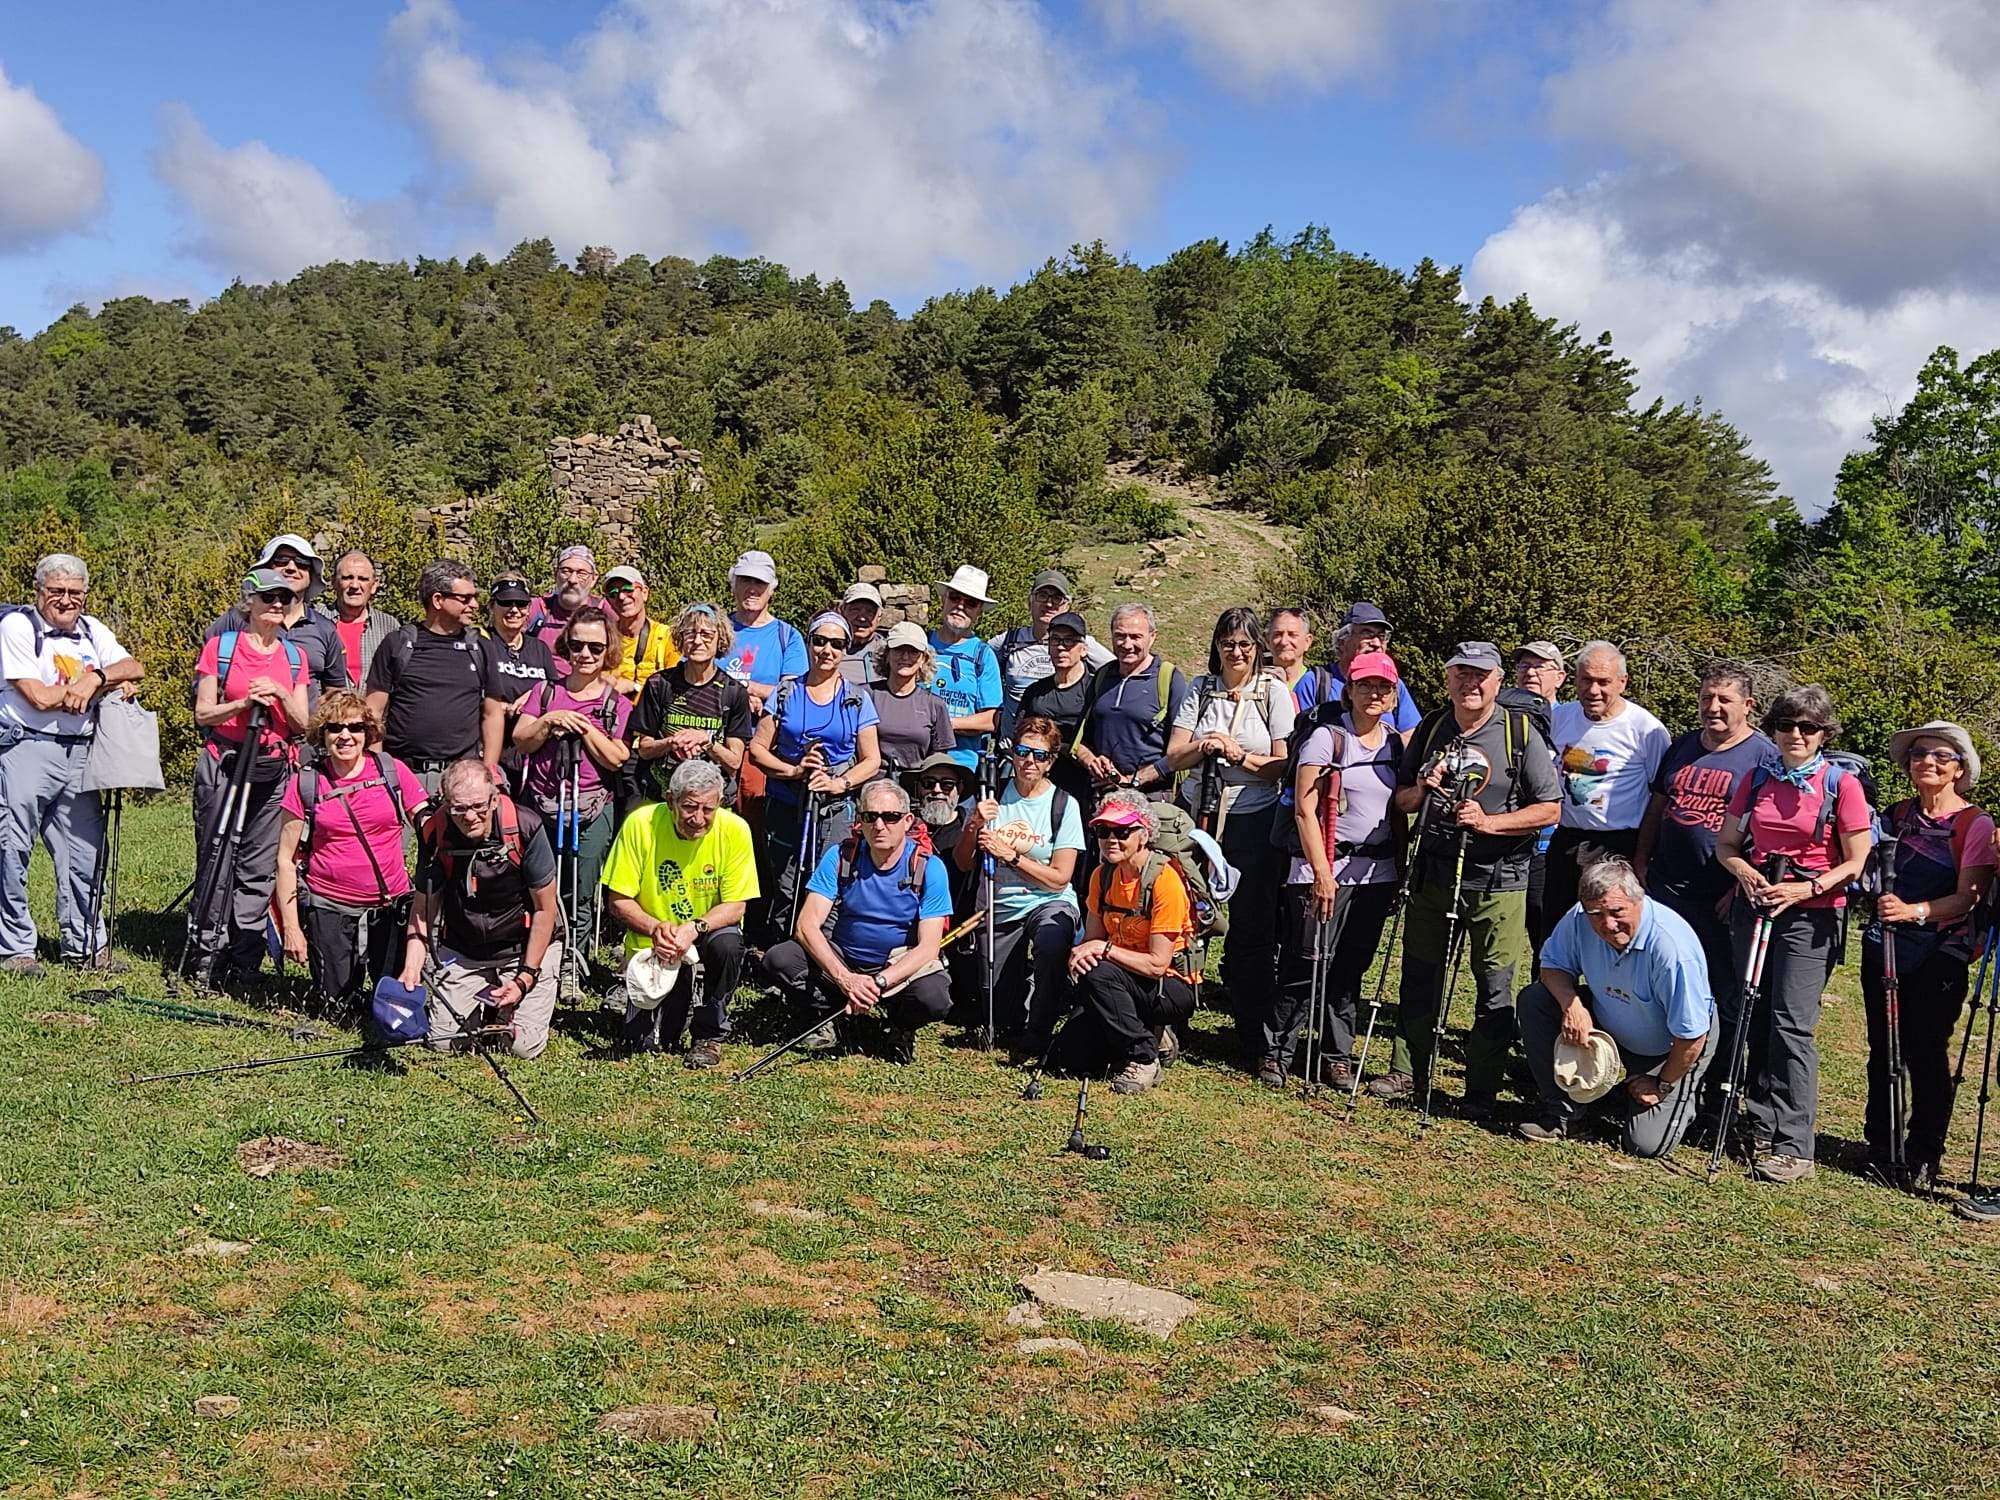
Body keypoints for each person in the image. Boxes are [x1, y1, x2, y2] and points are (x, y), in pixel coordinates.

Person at [1369, 642, 1560, 1115]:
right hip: (1433, 871)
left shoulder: (1520, 731)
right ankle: (1406, 1071)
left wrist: (1490, 822)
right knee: (1419, 974)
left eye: (1480, 675)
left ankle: (1481, 1088)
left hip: (1499, 880)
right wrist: (1423, 787)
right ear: (1448, 677)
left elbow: (1551, 807)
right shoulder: (1433, 727)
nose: (1469, 684)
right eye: (1461, 674)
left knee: (1494, 986)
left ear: (1498, 681)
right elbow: (1402, 800)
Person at [1714, 685, 1874, 1184]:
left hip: (1812, 916)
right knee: (1753, 1012)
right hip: (1757, 906)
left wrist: (1804, 889)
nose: (1796, 735)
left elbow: (1856, 860)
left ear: (1825, 733)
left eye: (1808, 727)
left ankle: (1794, 1142)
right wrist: (1745, 874)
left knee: (1791, 1023)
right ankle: (1760, 1123)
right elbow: (1728, 844)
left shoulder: (1839, 785)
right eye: (1787, 726)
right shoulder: (1757, 778)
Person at [1632, 662, 1770, 1120]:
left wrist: (1741, 884)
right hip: (1666, 887)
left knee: (1723, 996)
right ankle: (1659, 1076)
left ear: (1748, 706)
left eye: (1725, 700)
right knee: (1663, 985)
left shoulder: (1763, 757)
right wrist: (1640, 860)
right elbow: (1658, 805)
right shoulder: (1682, 746)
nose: (1713, 707)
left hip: (1720, 897)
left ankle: (1719, 1094)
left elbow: (1769, 830)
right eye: (1707, 697)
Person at [1861, 722, 1995, 1187]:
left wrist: (1913, 910)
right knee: (1883, 1046)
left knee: (1925, 1049)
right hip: (1886, 946)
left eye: (1941, 756)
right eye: (1920, 754)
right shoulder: (1895, 815)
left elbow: (1968, 897)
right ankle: (1880, 1143)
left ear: (1960, 768)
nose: (1928, 762)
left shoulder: (1974, 825)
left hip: (1941, 950)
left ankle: (1922, 1152)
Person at [0, 554, 144, 976]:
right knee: (11, 849)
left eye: (75, 593)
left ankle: (85, 946)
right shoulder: (17, 627)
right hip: (26, 747)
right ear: (39, 592)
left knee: (84, 852)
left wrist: (96, 677)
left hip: (81, 752)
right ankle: (16, 948)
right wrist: (97, 689)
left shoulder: (91, 630)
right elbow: (37, 697)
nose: (66, 600)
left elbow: (134, 666)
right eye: (57, 591)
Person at [1515, 859, 1716, 1155]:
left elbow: (1691, 1035)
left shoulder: (1672, 950)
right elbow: (1552, 966)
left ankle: (1681, 1095)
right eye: (1595, 913)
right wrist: (1572, 1006)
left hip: (1673, 1045)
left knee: (1644, 1145)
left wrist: (1661, 1084)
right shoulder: (1578, 918)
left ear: (1640, 899)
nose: (1607, 924)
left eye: (1617, 912)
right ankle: (1564, 1114)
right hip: (1610, 1020)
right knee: (1535, 1001)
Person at [1166, 608, 1293, 1064]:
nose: (1235, 652)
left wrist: (1240, 756)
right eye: (1227, 643)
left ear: (1258, 647)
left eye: (1244, 644)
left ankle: (1253, 1037)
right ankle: (1171, 1019)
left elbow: (1283, 762)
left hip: (1251, 817)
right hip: (1197, 817)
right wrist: (1205, 745)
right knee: (1184, 917)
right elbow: (1174, 755)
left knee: (1251, 925)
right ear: (1216, 645)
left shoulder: (1273, 693)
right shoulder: (1199, 690)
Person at [1274, 651, 1405, 1089]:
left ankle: (1336, 1055)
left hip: (1375, 873)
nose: (1374, 694)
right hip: (1322, 869)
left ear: (1392, 696)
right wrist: (1322, 872)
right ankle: (1277, 1051)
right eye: (1365, 685)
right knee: (1306, 959)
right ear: (1348, 690)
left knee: (1350, 967)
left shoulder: (1394, 744)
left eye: (1383, 688)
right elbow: (1304, 811)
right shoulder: (1326, 739)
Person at [763, 778, 955, 1063]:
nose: (879, 826)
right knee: (779, 960)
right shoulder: (841, 856)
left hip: (895, 964)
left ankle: (901, 1027)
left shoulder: (930, 867)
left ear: (907, 820)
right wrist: (846, 979)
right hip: (844, 958)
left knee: (935, 998)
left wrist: (878, 982)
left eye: (890, 817)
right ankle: (829, 1012)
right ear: (860, 820)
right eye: (870, 816)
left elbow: (928, 947)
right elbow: (806, 926)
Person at [189, 565, 314, 988]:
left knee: (259, 864)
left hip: (273, 766)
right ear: (251, 602)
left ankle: (245, 957)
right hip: (225, 760)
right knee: (217, 855)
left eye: (286, 599)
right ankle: (207, 950)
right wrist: (243, 703)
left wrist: (278, 693)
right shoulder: (221, 648)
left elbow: (302, 724)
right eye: (269, 598)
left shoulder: (294, 656)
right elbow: (203, 712)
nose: (277, 605)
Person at [275, 689, 428, 1023]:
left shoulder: (392, 771)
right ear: (323, 734)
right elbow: (286, 860)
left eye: (355, 728)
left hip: (390, 907)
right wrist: (291, 927)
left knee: (394, 1005)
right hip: (330, 906)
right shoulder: (306, 783)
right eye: (335, 728)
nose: (345, 736)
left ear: (367, 732)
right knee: (337, 1010)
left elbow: (427, 824)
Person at [399, 758, 561, 1059]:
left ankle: (505, 1009)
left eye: (479, 807)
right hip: (465, 949)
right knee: (443, 1042)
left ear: (494, 798)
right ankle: (486, 1005)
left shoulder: (525, 826)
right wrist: (411, 968)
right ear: (446, 804)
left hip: (522, 947)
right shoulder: (436, 834)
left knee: (522, 1047)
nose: (470, 817)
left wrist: (525, 978)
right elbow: (423, 909)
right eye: (459, 808)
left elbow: (545, 911)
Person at [603, 759, 758, 1067]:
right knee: (644, 1044)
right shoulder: (640, 823)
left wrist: (693, 928)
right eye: (689, 807)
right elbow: (617, 900)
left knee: (728, 944)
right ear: (670, 800)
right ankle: (677, 998)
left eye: (708, 810)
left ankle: (710, 1033)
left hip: (703, 933)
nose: (698, 818)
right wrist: (655, 927)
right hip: (654, 942)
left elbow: (736, 906)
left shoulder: (735, 829)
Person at [512, 605, 631, 992]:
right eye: (577, 645)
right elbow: (521, 740)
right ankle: (535, 958)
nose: (585, 654)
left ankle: (572, 962)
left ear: (607, 649)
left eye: (595, 648)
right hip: (541, 804)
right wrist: (549, 720)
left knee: (579, 888)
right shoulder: (546, 692)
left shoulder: (616, 703)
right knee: (537, 886)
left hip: (592, 806)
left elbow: (617, 758)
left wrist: (583, 729)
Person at [748, 610, 881, 936]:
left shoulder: (856, 698)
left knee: (828, 881)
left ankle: (821, 953)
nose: (827, 650)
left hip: (835, 807)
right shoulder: (785, 692)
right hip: (786, 802)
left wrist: (839, 783)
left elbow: (872, 759)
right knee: (786, 881)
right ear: (809, 643)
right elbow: (758, 749)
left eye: (837, 644)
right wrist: (794, 770)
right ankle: (780, 953)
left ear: (846, 649)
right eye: (820, 641)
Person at [954, 717, 1084, 1049]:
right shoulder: (991, 794)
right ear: (1012, 752)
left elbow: (1059, 878)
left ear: (1051, 762)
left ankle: (1040, 1031)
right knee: (1000, 1016)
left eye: (1040, 756)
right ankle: (1022, 998)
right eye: (1023, 751)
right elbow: (963, 862)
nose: (1029, 761)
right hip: (999, 906)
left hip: (1047, 902)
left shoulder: (1064, 805)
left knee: (1053, 939)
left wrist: (1010, 856)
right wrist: (973, 824)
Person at [1541, 642, 1671, 952]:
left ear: (1622, 682)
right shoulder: (1561, 719)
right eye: (1586, 680)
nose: (1593, 690)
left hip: (1620, 845)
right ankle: (1551, 995)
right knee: (1555, 933)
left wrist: (1642, 858)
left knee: (1615, 935)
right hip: (1568, 841)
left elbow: (1660, 798)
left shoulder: (1646, 729)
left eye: (1603, 682)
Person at [1068, 792, 1200, 1095]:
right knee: (1073, 1057)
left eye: (1122, 832)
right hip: (1123, 979)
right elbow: (1092, 941)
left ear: (1144, 835)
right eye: (1103, 831)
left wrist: (1104, 951)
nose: (1111, 839)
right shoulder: (1101, 876)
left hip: (1170, 987)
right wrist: (1082, 955)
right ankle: (1152, 1035)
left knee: (1098, 972)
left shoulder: (1164, 880)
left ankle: (1144, 1056)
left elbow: (1156, 964)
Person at [365, 560, 508, 797]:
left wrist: (489, 771)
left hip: (463, 775)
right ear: (438, 600)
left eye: (475, 597)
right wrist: (379, 770)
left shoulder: (481, 648)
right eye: (465, 598)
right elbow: (373, 712)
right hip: (403, 775)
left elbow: (492, 714)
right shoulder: (398, 644)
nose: (475, 605)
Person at [629, 604, 752, 805]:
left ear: (720, 639)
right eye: (690, 633)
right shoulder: (659, 684)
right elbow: (644, 748)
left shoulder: (734, 691)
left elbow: (734, 762)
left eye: (706, 634)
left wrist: (707, 742)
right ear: (679, 638)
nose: (697, 641)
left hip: (712, 805)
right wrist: (671, 742)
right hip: (661, 798)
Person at [203, 533, 348, 702]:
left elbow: (335, 693)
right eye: (281, 560)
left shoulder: (325, 629)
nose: (291, 568)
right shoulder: (236, 619)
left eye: (302, 563)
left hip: (303, 727)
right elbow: (204, 680)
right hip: (239, 725)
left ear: (311, 576)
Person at [1074, 603, 1190, 801]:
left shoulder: (1169, 679)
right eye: (1120, 636)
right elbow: (1080, 741)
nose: (1127, 644)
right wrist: (1091, 762)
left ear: (1152, 637)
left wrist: (1132, 781)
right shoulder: (1102, 677)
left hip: (1152, 798)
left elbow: (1179, 753)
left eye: (1136, 637)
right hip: (1104, 796)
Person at [990, 569, 1111, 733]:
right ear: (1030, 601)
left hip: (1063, 749)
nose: (1048, 604)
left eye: (1057, 598)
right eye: (1042, 595)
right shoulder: (1009, 641)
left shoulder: (1082, 644)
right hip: (1013, 749)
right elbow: (978, 663)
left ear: (1067, 605)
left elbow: (1117, 674)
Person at [1512, 641, 1567, 960]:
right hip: (1500, 841)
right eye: (1523, 666)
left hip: (1547, 847)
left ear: (1559, 677)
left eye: (1540, 667)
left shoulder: (1571, 720)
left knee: (1544, 935)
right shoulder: (1501, 713)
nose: (1530, 672)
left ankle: (1543, 1005)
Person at [484, 573, 559, 799]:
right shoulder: (480, 643)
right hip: (491, 752)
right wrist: (504, 708)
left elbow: (554, 692)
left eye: (521, 603)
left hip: (532, 755)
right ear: (492, 606)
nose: (514, 610)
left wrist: (532, 697)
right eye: (506, 603)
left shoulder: (539, 649)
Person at [1292, 603, 1421, 730]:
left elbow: (1411, 736)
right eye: (1367, 634)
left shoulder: (1394, 685)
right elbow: (1300, 736)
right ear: (1342, 641)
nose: (1376, 643)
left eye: (1382, 637)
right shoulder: (1315, 683)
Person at [1019, 611, 1098, 810]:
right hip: (1039, 787)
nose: (1061, 647)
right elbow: (1020, 736)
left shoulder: (1096, 691)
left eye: (1069, 641)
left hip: (1084, 788)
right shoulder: (1035, 693)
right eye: (1055, 640)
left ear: (1084, 649)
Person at [927, 564, 1003, 770]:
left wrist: (945, 724)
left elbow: (991, 720)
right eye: (955, 598)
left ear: (979, 611)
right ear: (944, 599)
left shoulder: (983, 655)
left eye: (970, 602)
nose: (960, 606)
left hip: (962, 768)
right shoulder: (920, 646)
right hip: (917, 762)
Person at [720, 550, 805, 714]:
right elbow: (692, 679)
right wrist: (740, 697)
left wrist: (747, 688)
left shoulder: (789, 637)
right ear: (733, 585)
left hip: (767, 735)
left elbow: (795, 694)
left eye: (759, 582)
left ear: (771, 589)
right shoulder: (714, 630)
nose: (752, 589)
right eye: (745, 580)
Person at [868, 620, 955, 772]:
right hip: (874, 784)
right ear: (887, 655)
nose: (905, 656)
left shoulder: (935, 705)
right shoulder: (868, 695)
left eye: (913, 651)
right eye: (898, 649)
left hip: (917, 786)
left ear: (923, 659)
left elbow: (939, 760)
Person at [317, 550, 400, 688]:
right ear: (334, 582)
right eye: (347, 578)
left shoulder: (389, 626)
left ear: (374, 585)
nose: (355, 586)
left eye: (363, 579)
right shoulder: (316, 621)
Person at [603, 564, 677, 699]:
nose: (621, 597)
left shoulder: (667, 638)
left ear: (644, 593)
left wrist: (634, 687)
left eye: (628, 589)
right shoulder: (604, 638)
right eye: (613, 593)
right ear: (609, 602)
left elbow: (676, 689)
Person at [529, 545, 606, 660]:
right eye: (566, 571)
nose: (572, 580)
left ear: (594, 579)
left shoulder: (605, 612)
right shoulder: (535, 609)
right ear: (556, 574)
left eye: (582, 573)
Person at [838, 581, 887, 687]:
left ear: (879, 617)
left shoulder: (890, 653)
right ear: (842, 611)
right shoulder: (828, 650)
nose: (862, 618)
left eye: (870, 611)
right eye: (855, 610)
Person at [1266, 608, 1314, 696]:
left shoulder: (1319, 685)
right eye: (1278, 634)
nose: (1284, 642)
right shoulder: (1256, 682)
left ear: (1307, 641)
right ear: (1267, 639)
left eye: (1292, 635)